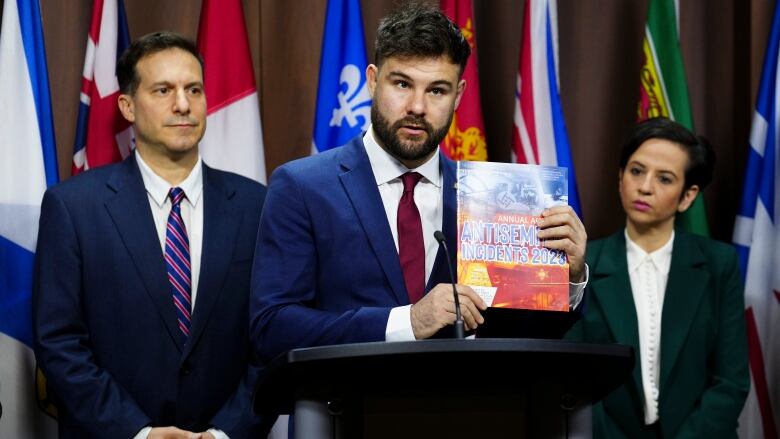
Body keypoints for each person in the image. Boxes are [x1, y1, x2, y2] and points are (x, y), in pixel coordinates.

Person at [250, 2, 588, 363]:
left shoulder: (494, 199)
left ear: (458, 96)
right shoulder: (302, 187)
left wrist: (569, 276)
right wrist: (406, 322)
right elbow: (272, 330)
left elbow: (525, 337)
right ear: (372, 81)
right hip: (349, 414)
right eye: (401, 84)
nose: (417, 107)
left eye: (437, 91)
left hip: (466, 413)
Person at [33, 32, 273, 439]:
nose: (183, 104)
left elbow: (272, 338)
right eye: (163, 90)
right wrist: (138, 432)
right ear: (127, 106)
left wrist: (225, 432)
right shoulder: (72, 208)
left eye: (193, 89)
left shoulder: (258, 205)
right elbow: (59, 343)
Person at [565, 117, 749, 437]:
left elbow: (730, 382)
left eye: (664, 179)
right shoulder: (582, 263)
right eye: (636, 171)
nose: (645, 186)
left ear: (688, 196)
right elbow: (572, 377)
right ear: (620, 176)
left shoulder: (719, 264)